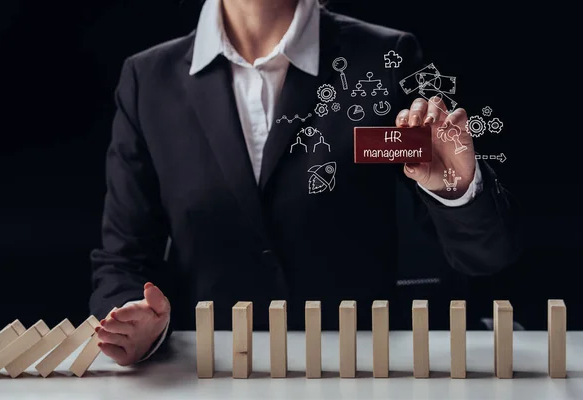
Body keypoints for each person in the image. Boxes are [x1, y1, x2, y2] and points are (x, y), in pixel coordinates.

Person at [89, 0, 521, 366]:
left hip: (355, 370)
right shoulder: (149, 80)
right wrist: (137, 324)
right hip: (207, 372)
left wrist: (456, 188)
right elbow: (123, 261)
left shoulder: (384, 58)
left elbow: (484, 256)